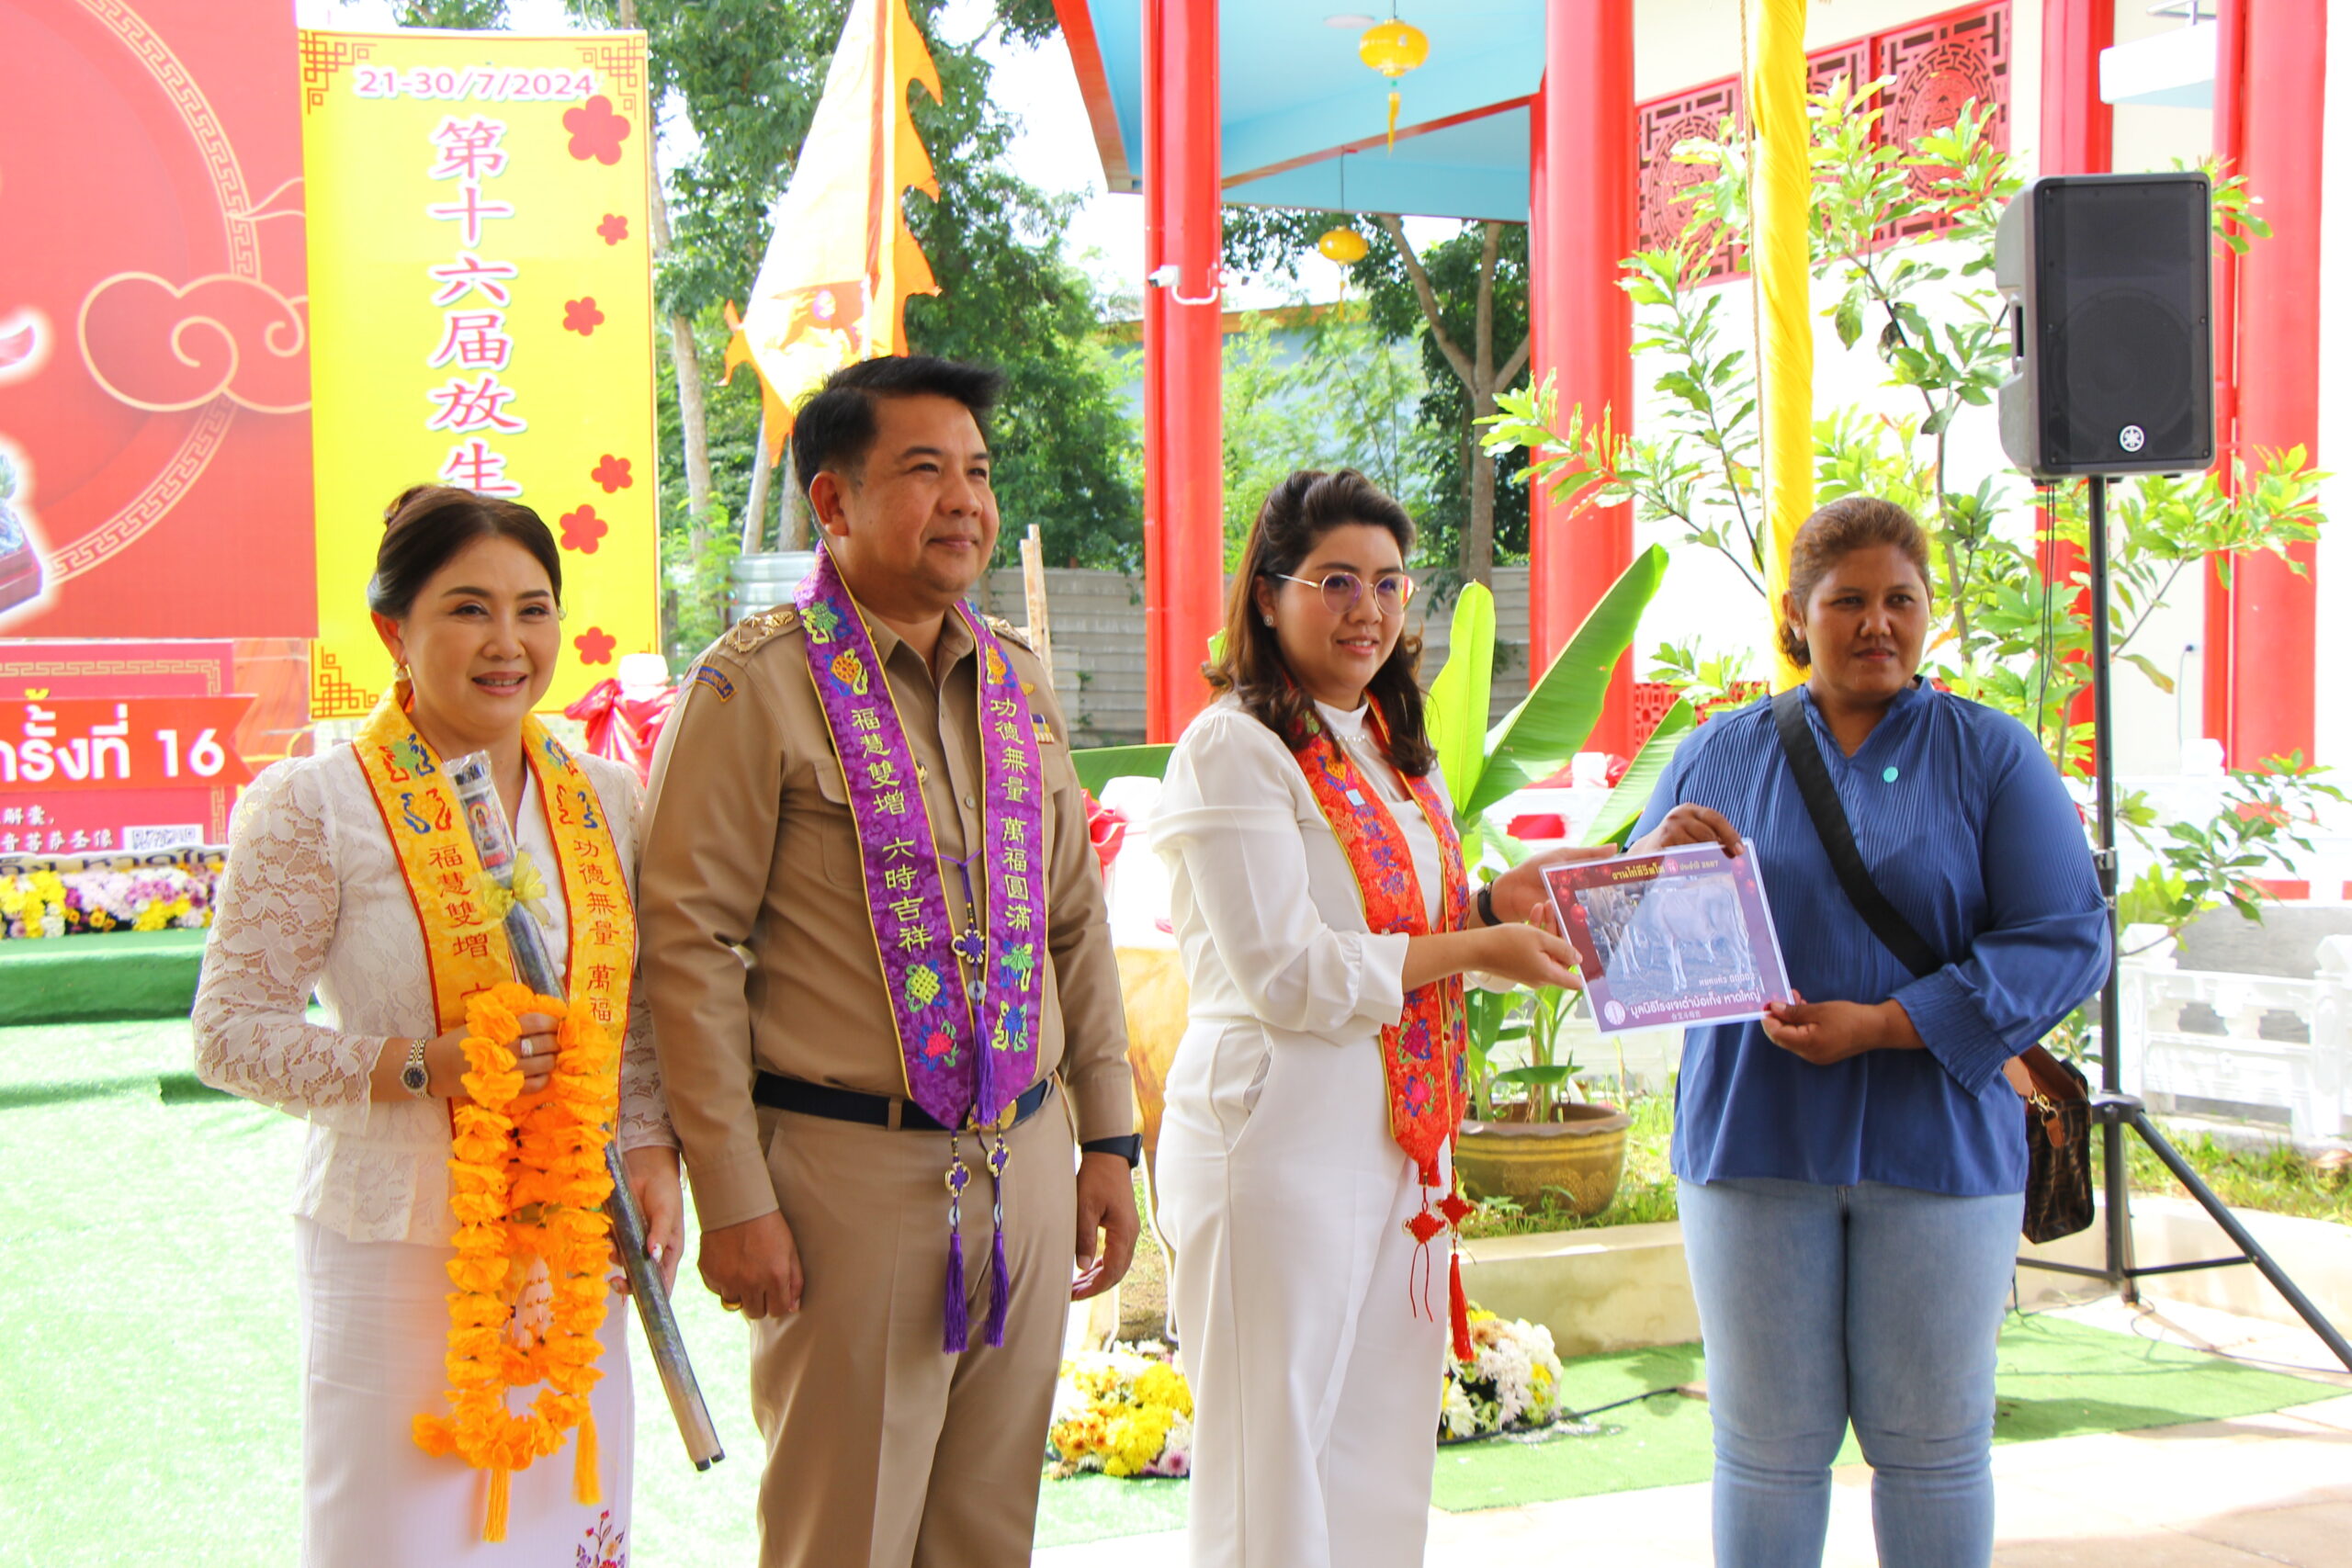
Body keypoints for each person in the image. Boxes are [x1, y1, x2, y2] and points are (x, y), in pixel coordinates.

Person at [637, 355, 1139, 1568]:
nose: (964, 499)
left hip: (1020, 1160)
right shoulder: (752, 686)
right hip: (842, 1180)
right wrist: (736, 1193)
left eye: (975, 470)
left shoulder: (1016, 677)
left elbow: (1073, 917)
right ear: (832, 502)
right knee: (842, 1536)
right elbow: (687, 949)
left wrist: (1110, 1137)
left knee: (985, 1533)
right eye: (925, 471)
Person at [194, 485, 684, 1566]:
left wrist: (648, 1149)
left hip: (574, 1232)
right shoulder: (315, 802)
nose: (508, 643)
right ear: (392, 630)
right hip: (396, 1241)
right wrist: (428, 1067)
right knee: (408, 1534)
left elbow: (633, 1012)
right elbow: (228, 1032)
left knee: (567, 1527)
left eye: (534, 608)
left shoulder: (607, 795)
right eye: (467, 609)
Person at [1629, 496, 2109, 1568]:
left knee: (1935, 1449)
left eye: (1901, 599)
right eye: (1847, 601)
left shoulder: (1992, 756)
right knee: (1764, 1451)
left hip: (1938, 1150)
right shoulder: (1714, 754)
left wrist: (1890, 1024)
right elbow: (1620, 948)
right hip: (1751, 1142)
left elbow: (2066, 938)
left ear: (1929, 613)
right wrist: (1656, 854)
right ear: (1797, 615)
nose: (1875, 623)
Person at [1150, 468, 1596, 1568]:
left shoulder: (1395, 756)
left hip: (1394, 1142)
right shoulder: (1233, 747)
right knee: (1273, 1461)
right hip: (1278, 1140)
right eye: (1335, 581)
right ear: (1265, 594)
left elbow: (1420, 938)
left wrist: (1502, 907)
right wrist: (1475, 942)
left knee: (1376, 1447)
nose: (1369, 610)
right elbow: (1288, 975)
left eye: (1391, 584)